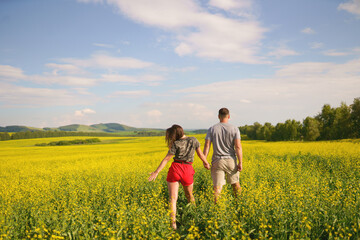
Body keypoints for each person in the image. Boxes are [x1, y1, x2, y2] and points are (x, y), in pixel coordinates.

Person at [148, 124, 210, 230]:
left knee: (172, 199)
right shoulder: (193, 140)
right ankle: (194, 216)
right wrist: (206, 163)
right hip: (187, 169)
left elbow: (166, 159)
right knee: (190, 196)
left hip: (175, 169)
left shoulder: (176, 143)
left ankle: (173, 225)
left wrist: (156, 171)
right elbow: (200, 154)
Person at [203, 108, 243, 203]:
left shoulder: (212, 129)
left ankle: (217, 209)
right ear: (228, 116)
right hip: (231, 160)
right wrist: (240, 162)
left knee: (217, 188)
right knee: (235, 184)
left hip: (217, 161)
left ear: (218, 116)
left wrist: (204, 160)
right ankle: (240, 203)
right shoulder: (234, 129)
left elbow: (207, 145)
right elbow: (238, 146)